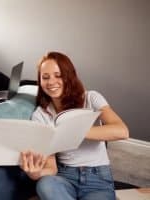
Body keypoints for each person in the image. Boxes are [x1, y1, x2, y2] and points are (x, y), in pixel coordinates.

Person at [19, 52, 129, 200]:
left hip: (97, 179)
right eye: (45, 77)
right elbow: (51, 167)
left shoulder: (91, 98)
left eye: (58, 75)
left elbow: (122, 131)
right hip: (64, 177)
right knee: (45, 184)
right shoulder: (40, 114)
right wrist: (35, 173)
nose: (51, 82)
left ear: (69, 76)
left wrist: (74, 131)